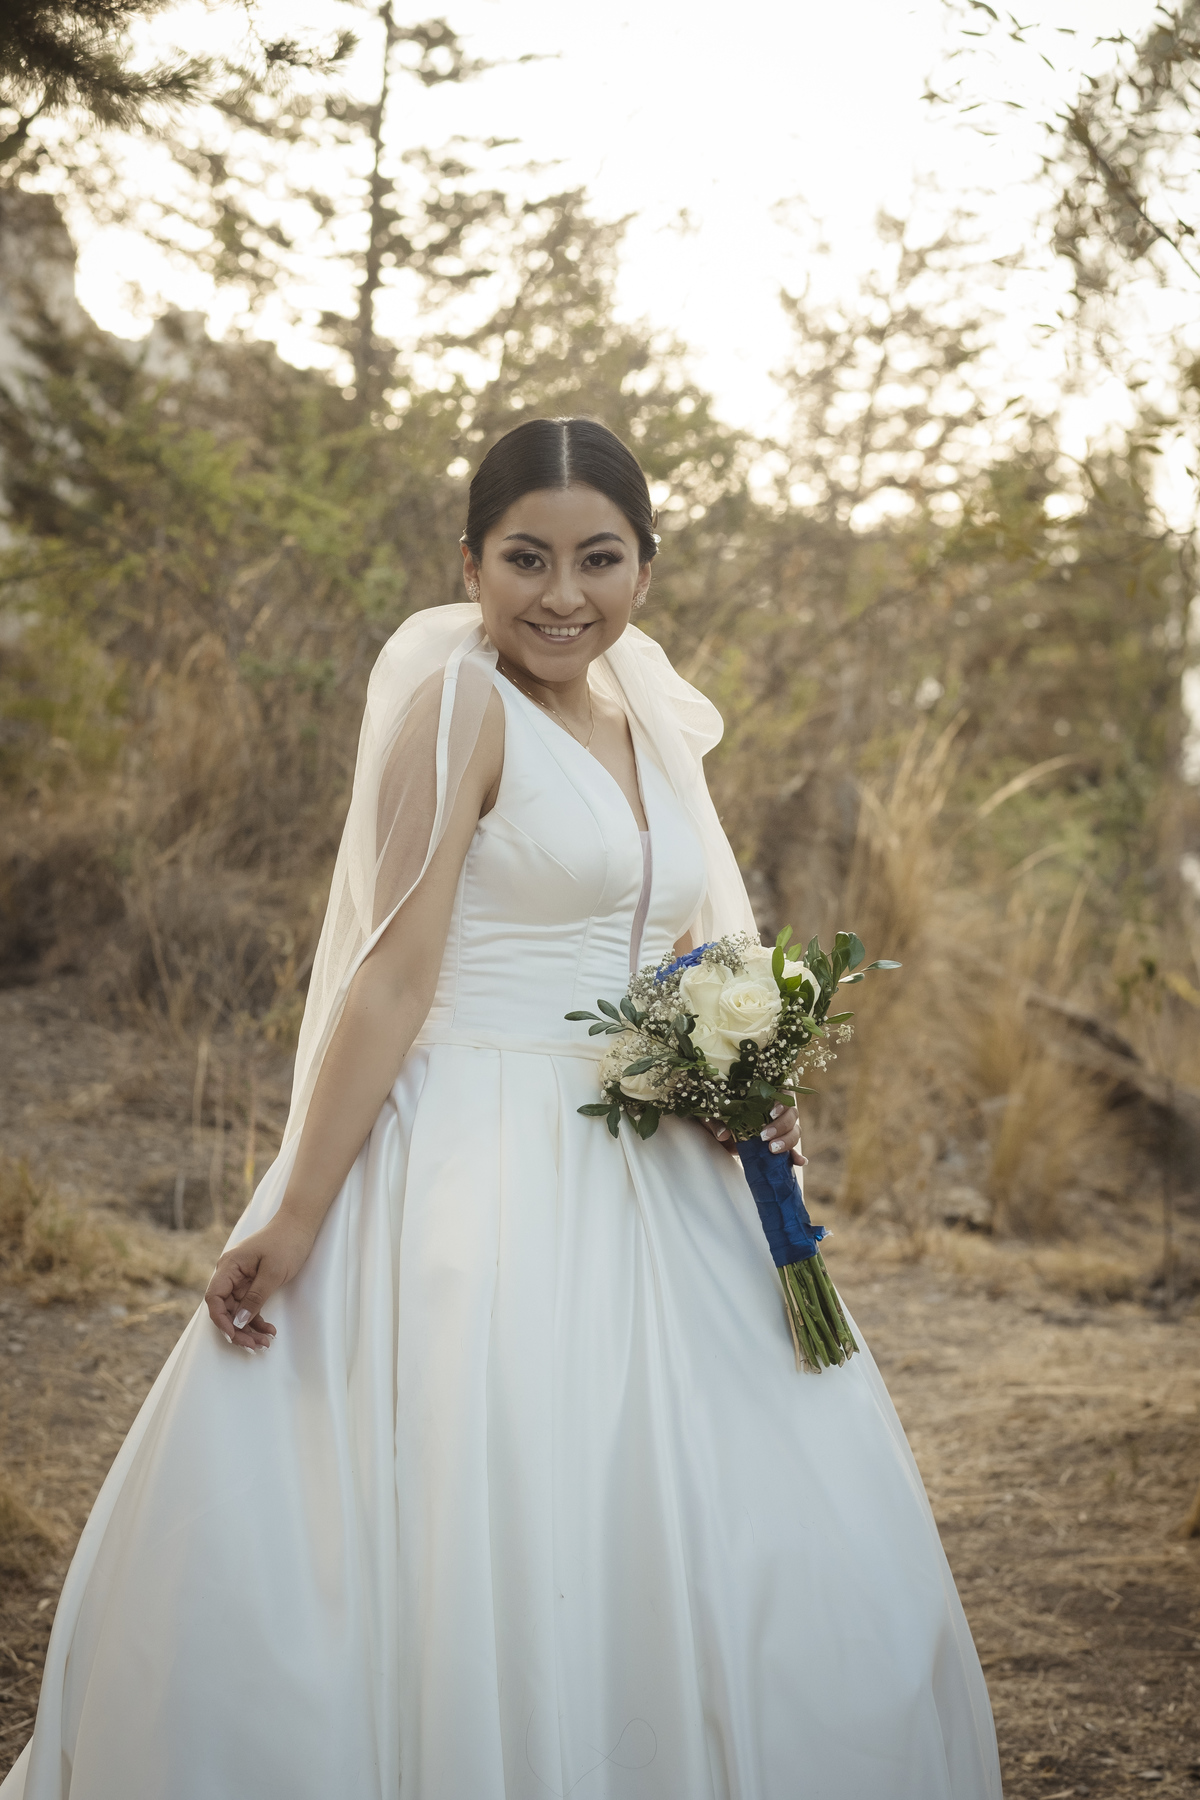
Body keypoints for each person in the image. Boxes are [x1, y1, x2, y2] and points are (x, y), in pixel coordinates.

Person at [1, 417, 1003, 1800]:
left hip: (651, 1162)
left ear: (647, 565)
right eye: (525, 558)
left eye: (598, 558)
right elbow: (394, 971)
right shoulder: (462, 709)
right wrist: (296, 1214)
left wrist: (736, 1078)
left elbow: (673, 949)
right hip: (475, 1155)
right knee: (492, 1493)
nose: (561, 594)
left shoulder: (641, 718)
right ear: (469, 564)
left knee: (706, 1512)